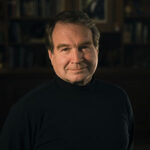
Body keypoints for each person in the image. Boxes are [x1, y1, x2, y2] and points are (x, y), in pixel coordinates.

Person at [0, 10, 134, 150]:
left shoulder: (118, 98)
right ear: (51, 56)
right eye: (65, 49)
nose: (76, 59)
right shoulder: (26, 110)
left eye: (84, 47)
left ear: (97, 50)